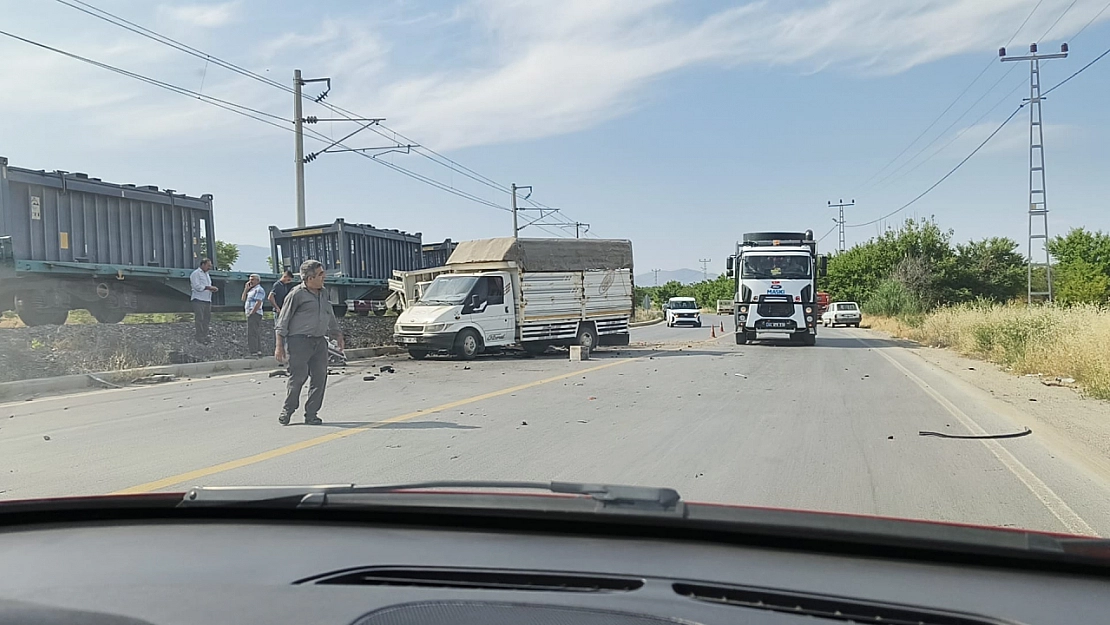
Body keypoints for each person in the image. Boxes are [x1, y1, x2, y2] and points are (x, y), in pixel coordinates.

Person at [274, 260, 344, 426]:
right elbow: (283, 321)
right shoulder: (296, 294)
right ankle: (288, 410)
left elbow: (329, 313)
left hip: (319, 341)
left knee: (320, 378)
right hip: (298, 342)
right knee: (298, 377)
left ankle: (311, 414)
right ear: (309, 278)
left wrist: (337, 333)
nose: (324, 277)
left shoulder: (324, 293)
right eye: (320, 274)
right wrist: (279, 346)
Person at [189, 258, 218, 344]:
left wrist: (211, 289)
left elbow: (207, 286)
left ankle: (205, 335)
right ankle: (199, 336)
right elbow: (197, 286)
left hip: (207, 299)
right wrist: (208, 287)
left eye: (210, 266)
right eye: (208, 266)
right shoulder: (196, 273)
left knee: (206, 318)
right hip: (198, 299)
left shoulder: (207, 274)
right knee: (200, 318)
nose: (209, 267)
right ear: (203, 264)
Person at [242, 274, 266, 358]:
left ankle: (253, 352)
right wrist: (246, 289)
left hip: (255, 313)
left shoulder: (259, 289)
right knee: (255, 332)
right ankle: (258, 351)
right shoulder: (251, 290)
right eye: (250, 279)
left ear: (258, 281)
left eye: (252, 280)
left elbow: (258, 302)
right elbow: (243, 299)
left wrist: (252, 312)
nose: (250, 281)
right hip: (251, 313)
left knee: (252, 333)